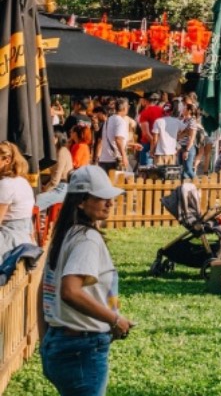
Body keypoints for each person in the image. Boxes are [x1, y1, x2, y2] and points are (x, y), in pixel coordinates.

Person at [38, 165, 133, 396]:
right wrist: (115, 319)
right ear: (81, 201)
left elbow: (44, 289)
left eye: (110, 197)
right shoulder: (87, 239)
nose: (109, 202)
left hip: (60, 343)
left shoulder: (67, 233)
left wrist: (45, 339)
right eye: (101, 198)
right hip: (82, 349)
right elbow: (69, 291)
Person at [0, 142, 36, 255]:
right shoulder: (22, 181)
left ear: (7, 160)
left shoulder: (6, 184)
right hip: (24, 238)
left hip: (9, 239)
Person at [97, 98, 135, 173]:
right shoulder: (120, 121)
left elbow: (110, 139)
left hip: (104, 159)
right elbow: (118, 139)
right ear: (124, 108)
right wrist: (124, 156)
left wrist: (130, 145)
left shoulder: (108, 120)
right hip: (114, 160)